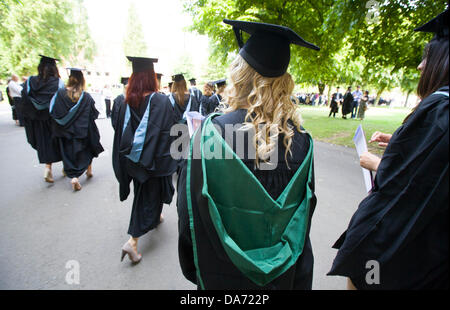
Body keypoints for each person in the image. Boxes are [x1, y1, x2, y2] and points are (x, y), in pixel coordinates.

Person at [177, 19, 319, 290]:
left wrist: (198, 269)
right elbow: (303, 221)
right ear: (284, 82)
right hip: (283, 279)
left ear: (239, 77)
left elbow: (189, 219)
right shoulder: (303, 142)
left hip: (222, 279)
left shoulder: (209, 136)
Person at [328, 9, 449, 290]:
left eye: (427, 57)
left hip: (405, 251)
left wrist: (376, 163)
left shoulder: (439, 107)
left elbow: (414, 182)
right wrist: (400, 141)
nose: (420, 66)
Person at [112, 56, 177, 263]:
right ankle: (132, 241)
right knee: (147, 198)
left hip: (135, 161)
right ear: (151, 77)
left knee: (146, 194)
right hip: (155, 163)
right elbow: (170, 131)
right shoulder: (160, 100)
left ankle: (156, 217)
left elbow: (118, 131)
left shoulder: (127, 102)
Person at [49, 68, 104, 191]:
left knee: (68, 155)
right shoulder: (86, 96)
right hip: (81, 132)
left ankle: (73, 176)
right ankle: (87, 171)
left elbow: (54, 112)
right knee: (85, 152)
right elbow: (93, 115)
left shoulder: (60, 94)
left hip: (64, 133)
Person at [21, 55, 64, 182]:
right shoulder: (58, 83)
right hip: (53, 119)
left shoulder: (30, 81)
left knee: (45, 143)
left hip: (37, 120)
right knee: (60, 141)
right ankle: (66, 166)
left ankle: (48, 167)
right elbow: (61, 101)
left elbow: (24, 101)